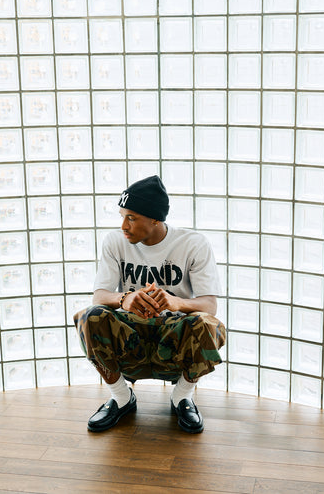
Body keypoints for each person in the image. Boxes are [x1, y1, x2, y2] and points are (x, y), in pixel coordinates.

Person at [74, 175, 226, 434]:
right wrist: (125, 298)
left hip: (173, 338)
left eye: (131, 218)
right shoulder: (115, 241)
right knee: (90, 316)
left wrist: (176, 302)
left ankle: (182, 397)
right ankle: (121, 398)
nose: (124, 225)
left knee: (209, 325)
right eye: (122, 216)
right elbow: (99, 297)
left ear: (155, 219)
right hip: (131, 338)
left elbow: (210, 306)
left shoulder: (193, 243)